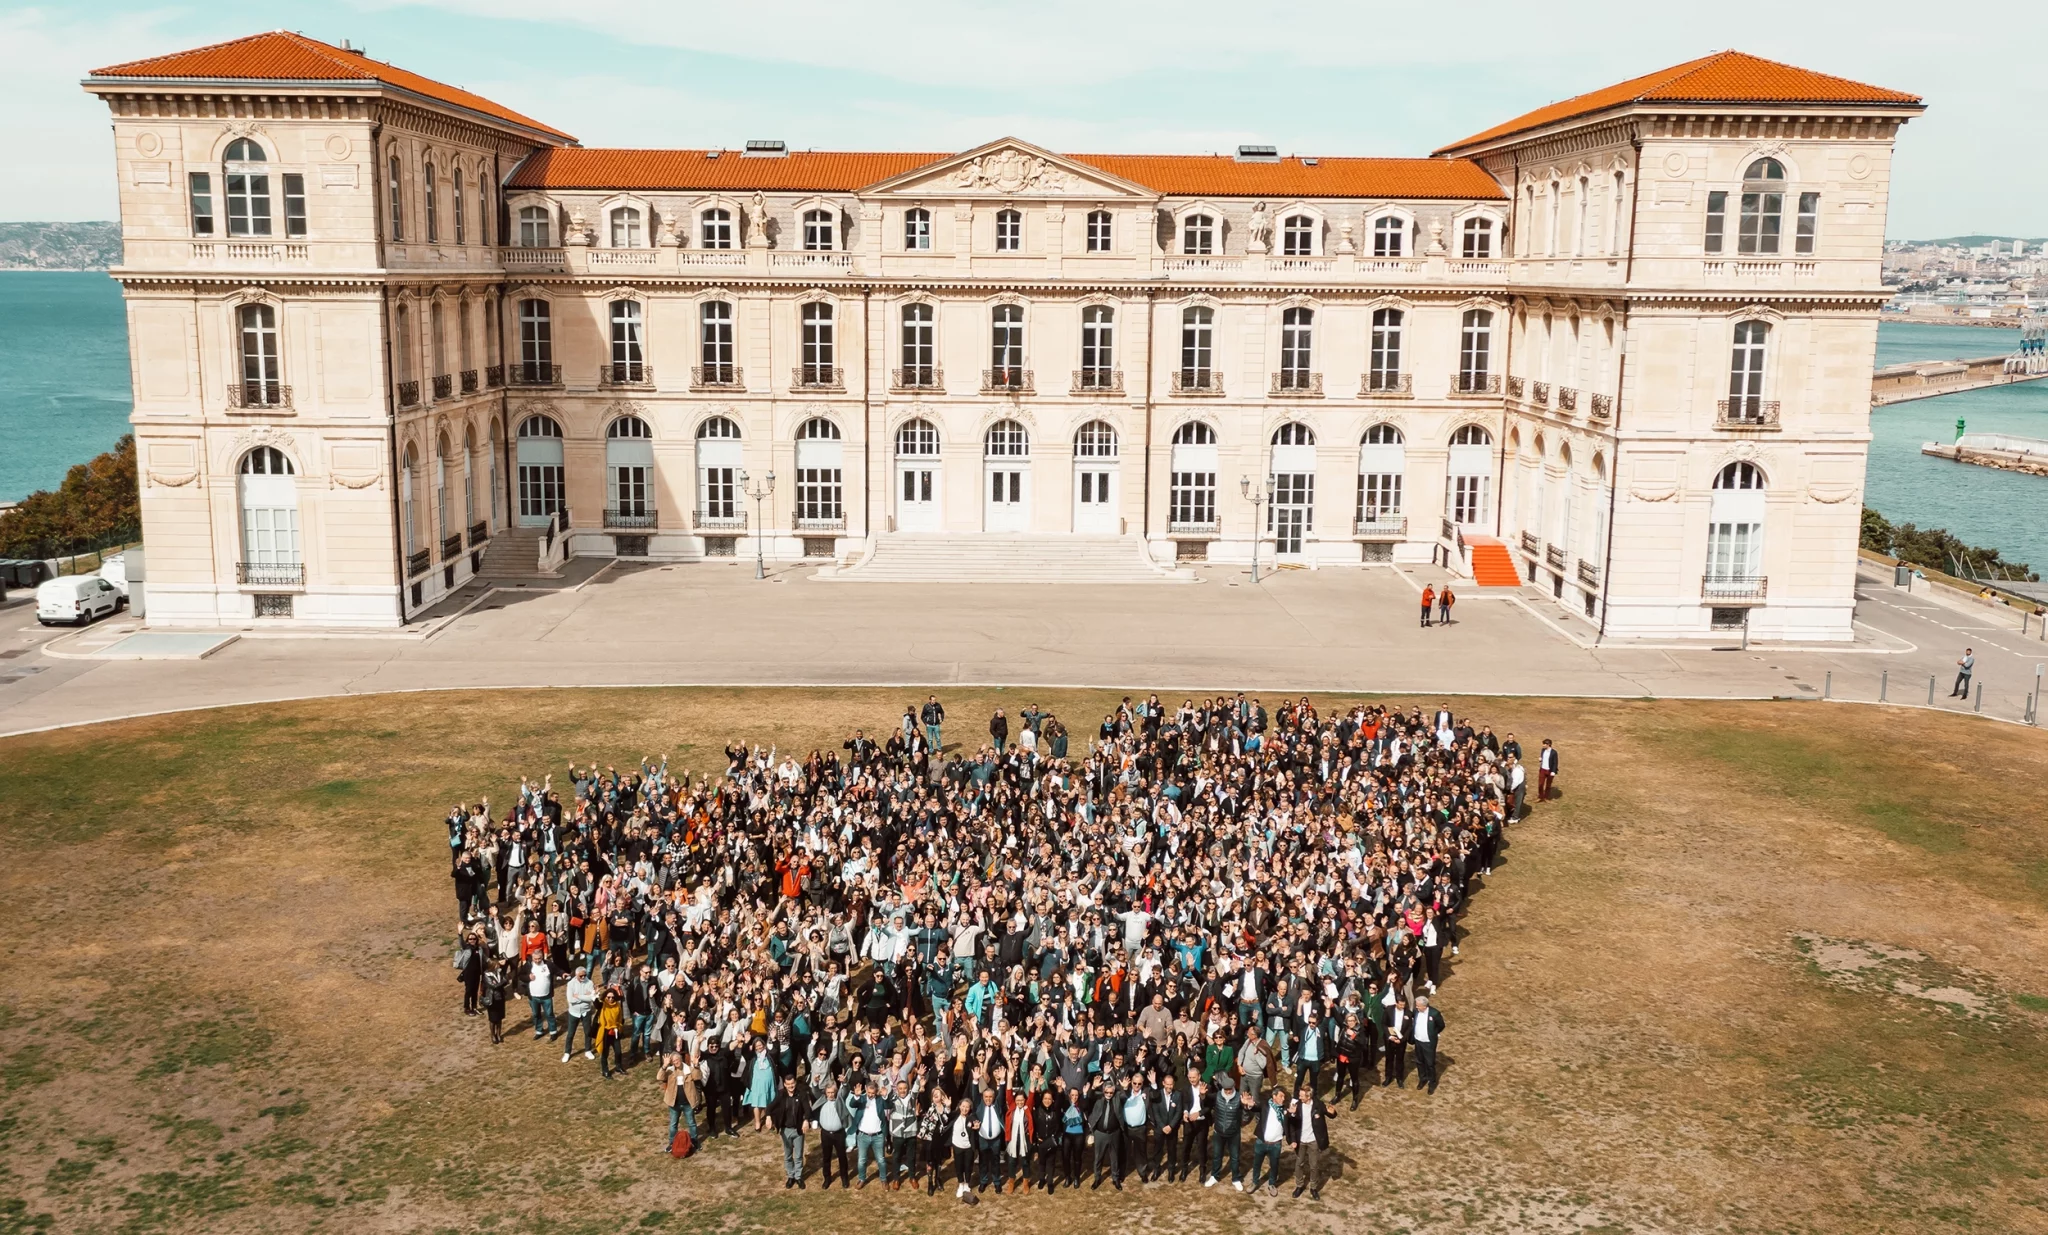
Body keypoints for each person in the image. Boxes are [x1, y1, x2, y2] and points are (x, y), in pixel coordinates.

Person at [1285, 1081, 1330, 1199]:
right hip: (1301, 1140)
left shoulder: (1318, 1105)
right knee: (1299, 1164)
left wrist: (1333, 1112)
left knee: (1314, 1166)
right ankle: (1299, 1185)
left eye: (1301, 1096)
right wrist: (1292, 1115)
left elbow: (1330, 1113)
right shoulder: (1297, 1105)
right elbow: (1290, 1123)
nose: (1299, 1097)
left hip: (1313, 1140)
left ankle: (1313, 1188)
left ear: (1308, 1096)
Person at [770, 1074, 809, 1188]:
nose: (791, 1086)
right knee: (787, 1154)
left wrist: (806, 1120)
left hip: (798, 1130)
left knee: (798, 1155)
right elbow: (770, 1107)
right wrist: (768, 1116)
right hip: (785, 1130)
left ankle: (798, 1177)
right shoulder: (781, 1095)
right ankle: (790, 1176)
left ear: (795, 1083)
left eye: (792, 1083)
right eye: (788, 1084)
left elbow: (807, 1109)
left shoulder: (801, 1094)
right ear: (785, 1085)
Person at [1249, 1087, 1289, 1196]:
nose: (1283, 1098)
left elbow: (1291, 1123)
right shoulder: (1265, 1105)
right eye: (1281, 1096)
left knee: (1274, 1165)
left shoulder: (1285, 1110)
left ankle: (1272, 1184)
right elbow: (1254, 1108)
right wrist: (1250, 1105)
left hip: (1275, 1144)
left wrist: (1293, 1114)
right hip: (1261, 1142)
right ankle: (1254, 1182)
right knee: (1257, 1163)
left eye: (1284, 1096)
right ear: (1274, 1096)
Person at [1412, 995, 1446, 1094]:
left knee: (1430, 1064)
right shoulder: (1416, 1012)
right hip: (1418, 1041)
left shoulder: (1434, 1013)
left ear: (1425, 1006)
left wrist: (1433, 1034)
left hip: (1428, 1043)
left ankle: (1432, 1083)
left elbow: (1441, 1025)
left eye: (1418, 1006)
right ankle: (1422, 1079)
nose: (1416, 1007)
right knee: (1419, 1061)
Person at [1537, 738, 1560, 803]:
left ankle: (1546, 797)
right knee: (1540, 784)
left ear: (1548, 744)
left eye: (1544, 744)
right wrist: (1540, 759)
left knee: (1548, 785)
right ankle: (1540, 797)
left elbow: (1555, 762)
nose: (1543, 745)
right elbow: (1542, 757)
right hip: (1542, 770)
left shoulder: (1554, 752)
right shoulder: (1543, 750)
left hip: (1550, 771)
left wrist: (1553, 771)